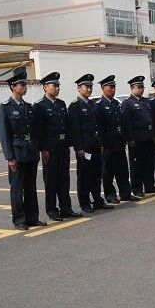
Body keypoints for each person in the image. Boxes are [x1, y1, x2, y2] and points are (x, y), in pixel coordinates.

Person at [0, 72, 45, 229]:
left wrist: (38, 148)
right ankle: (19, 220)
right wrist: (10, 157)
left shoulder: (28, 107)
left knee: (31, 187)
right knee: (17, 188)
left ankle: (32, 218)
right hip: (17, 153)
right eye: (22, 84)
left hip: (30, 151)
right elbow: (4, 135)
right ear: (13, 87)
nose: (25, 87)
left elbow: (35, 131)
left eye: (25, 84)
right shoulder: (5, 107)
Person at [33, 71, 81, 221]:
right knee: (51, 180)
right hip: (50, 149)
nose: (57, 88)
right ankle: (52, 210)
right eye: (54, 85)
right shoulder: (39, 106)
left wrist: (69, 144)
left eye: (58, 86)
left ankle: (66, 208)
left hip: (62, 147)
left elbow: (66, 126)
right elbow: (39, 130)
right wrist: (43, 149)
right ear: (45, 87)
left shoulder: (61, 104)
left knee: (64, 179)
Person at [67, 73, 112, 213]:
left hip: (96, 145)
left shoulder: (93, 104)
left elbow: (98, 126)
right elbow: (75, 129)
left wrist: (102, 143)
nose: (89, 89)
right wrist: (78, 148)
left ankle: (97, 199)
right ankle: (84, 202)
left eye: (90, 86)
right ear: (79, 88)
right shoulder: (75, 106)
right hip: (85, 148)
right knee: (84, 176)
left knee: (96, 174)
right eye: (86, 86)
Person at [95, 75, 138, 203]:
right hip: (108, 145)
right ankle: (110, 195)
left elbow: (123, 123)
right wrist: (102, 144)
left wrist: (128, 138)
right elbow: (100, 128)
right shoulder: (100, 106)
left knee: (122, 170)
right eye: (110, 87)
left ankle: (125, 193)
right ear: (103, 88)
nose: (113, 89)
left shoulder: (115, 104)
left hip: (119, 142)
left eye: (114, 87)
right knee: (108, 172)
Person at [121, 75, 155, 197]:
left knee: (149, 163)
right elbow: (126, 123)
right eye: (138, 87)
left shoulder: (146, 102)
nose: (141, 89)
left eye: (142, 87)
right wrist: (130, 138)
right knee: (137, 165)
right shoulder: (128, 103)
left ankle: (149, 185)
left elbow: (152, 120)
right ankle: (136, 188)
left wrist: (154, 136)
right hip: (137, 139)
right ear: (132, 88)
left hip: (148, 137)